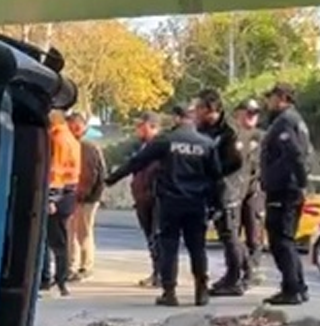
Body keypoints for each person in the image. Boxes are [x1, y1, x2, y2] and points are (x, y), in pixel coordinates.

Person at [106, 107, 224, 307]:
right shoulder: (206, 144)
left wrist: (111, 179)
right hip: (196, 203)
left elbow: (138, 162)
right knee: (197, 247)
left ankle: (169, 292)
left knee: (169, 246)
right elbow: (217, 178)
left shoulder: (166, 141)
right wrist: (217, 205)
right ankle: (201, 291)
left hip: (171, 202)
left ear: (177, 119)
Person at [260, 83, 313, 305]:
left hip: (284, 189)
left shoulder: (285, 121)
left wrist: (300, 184)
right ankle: (297, 287)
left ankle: (291, 289)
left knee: (280, 240)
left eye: (271, 97)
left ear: (282, 98)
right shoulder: (295, 120)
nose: (268, 102)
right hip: (287, 188)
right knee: (286, 240)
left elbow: (295, 154)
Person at [193, 89, 249, 296]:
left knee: (229, 234)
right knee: (225, 235)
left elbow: (236, 162)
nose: (195, 112)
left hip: (227, 189)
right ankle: (237, 273)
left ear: (210, 110)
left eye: (199, 108)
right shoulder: (203, 129)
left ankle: (235, 278)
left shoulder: (229, 132)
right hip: (209, 190)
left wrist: (213, 171)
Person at [41, 110, 81, 296]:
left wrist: (50, 198)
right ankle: (59, 279)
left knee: (52, 241)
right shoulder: (71, 139)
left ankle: (53, 280)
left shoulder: (57, 139)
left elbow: (55, 172)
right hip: (69, 194)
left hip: (58, 195)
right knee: (61, 240)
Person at [67, 111, 106, 281]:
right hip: (79, 195)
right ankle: (74, 265)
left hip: (86, 197)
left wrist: (86, 196)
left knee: (82, 232)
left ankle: (84, 266)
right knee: (74, 231)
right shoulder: (83, 145)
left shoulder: (87, 147)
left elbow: (95, 174)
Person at [127, 112, 164, 287]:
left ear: (152, 126)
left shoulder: (161, 147)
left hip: (155, 199)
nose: (137, 129)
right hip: (143, 198)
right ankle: (156, 272)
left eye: (141, 126)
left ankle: (161, 274)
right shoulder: (141, 147)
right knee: (150, 237)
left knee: (158, 237)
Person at [233, 99, 265, 286]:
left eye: (255, 113)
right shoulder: (232, 136)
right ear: (238, 114)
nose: (252, 117)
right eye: (248, 112)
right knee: (233, 235)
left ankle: (252, 270)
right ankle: (237, 270)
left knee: (254, 233)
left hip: (255, 191)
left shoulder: (262, 137)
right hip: (236, 190)